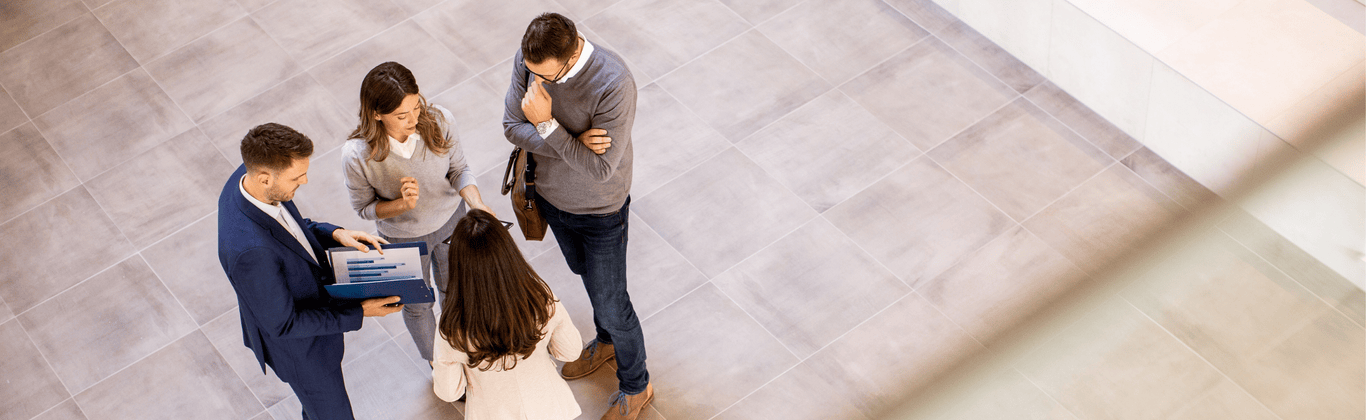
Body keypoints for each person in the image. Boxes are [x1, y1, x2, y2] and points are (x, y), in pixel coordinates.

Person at [502, 12, 650, 420]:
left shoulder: (614, 82)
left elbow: (600, 169)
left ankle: (637, 384)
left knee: (612, 301)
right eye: (532, 73)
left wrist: (547, 126)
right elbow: (512, 126)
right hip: (551, 199)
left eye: (546, 76)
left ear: (570, 57)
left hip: (601, 211)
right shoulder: (530, 59)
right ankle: (606, 341)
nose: (537, 81)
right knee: (587, 277)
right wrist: (573, 143)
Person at [217, 123, 403, 420]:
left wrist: (336, 233)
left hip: (309, 312)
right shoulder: (251, 253)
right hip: (302, 354)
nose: (304, 181)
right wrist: (360, 312)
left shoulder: (251, 179)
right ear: (264, 178)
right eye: (296, 177)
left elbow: (290, 229)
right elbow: (285, 325)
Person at [342, 61, 493, 364]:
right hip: (402, 239)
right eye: (401, 115)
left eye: (416, 107)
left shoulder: (440, 121)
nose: (413, 119)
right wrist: (402, 205)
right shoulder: (357, 155)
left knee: (456, 291)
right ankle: (439, 363)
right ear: (376, 114)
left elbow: (459, 170)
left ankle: (464, 350)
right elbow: (364, 209)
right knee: (417, 306)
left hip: (451, 222)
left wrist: (476, 203)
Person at [432, 209, 583, 419]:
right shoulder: (538, 295)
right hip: (549, 408)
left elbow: (449, 392)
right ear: (508, 251)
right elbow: (571, 352)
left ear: (458, 264)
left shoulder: (451, 325)